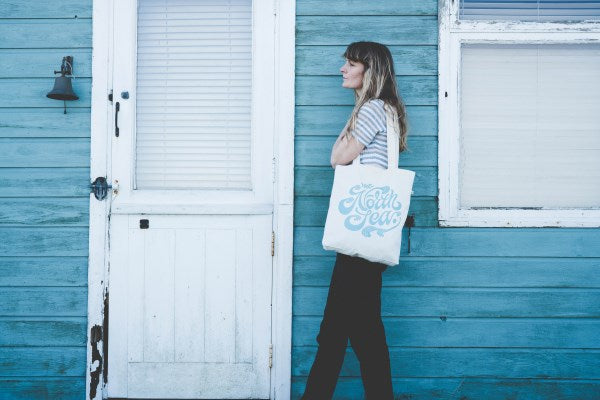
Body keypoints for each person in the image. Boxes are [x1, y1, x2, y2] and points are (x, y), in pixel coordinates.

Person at [300, 41, 409, 400]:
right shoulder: (385, 110)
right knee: (363, 332)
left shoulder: (372, 108)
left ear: (370, 71)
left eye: (350, 64)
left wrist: (352, 121)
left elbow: (339, 157)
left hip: (359, 236)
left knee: (337, 332)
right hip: (369, 235)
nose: (343, 70)